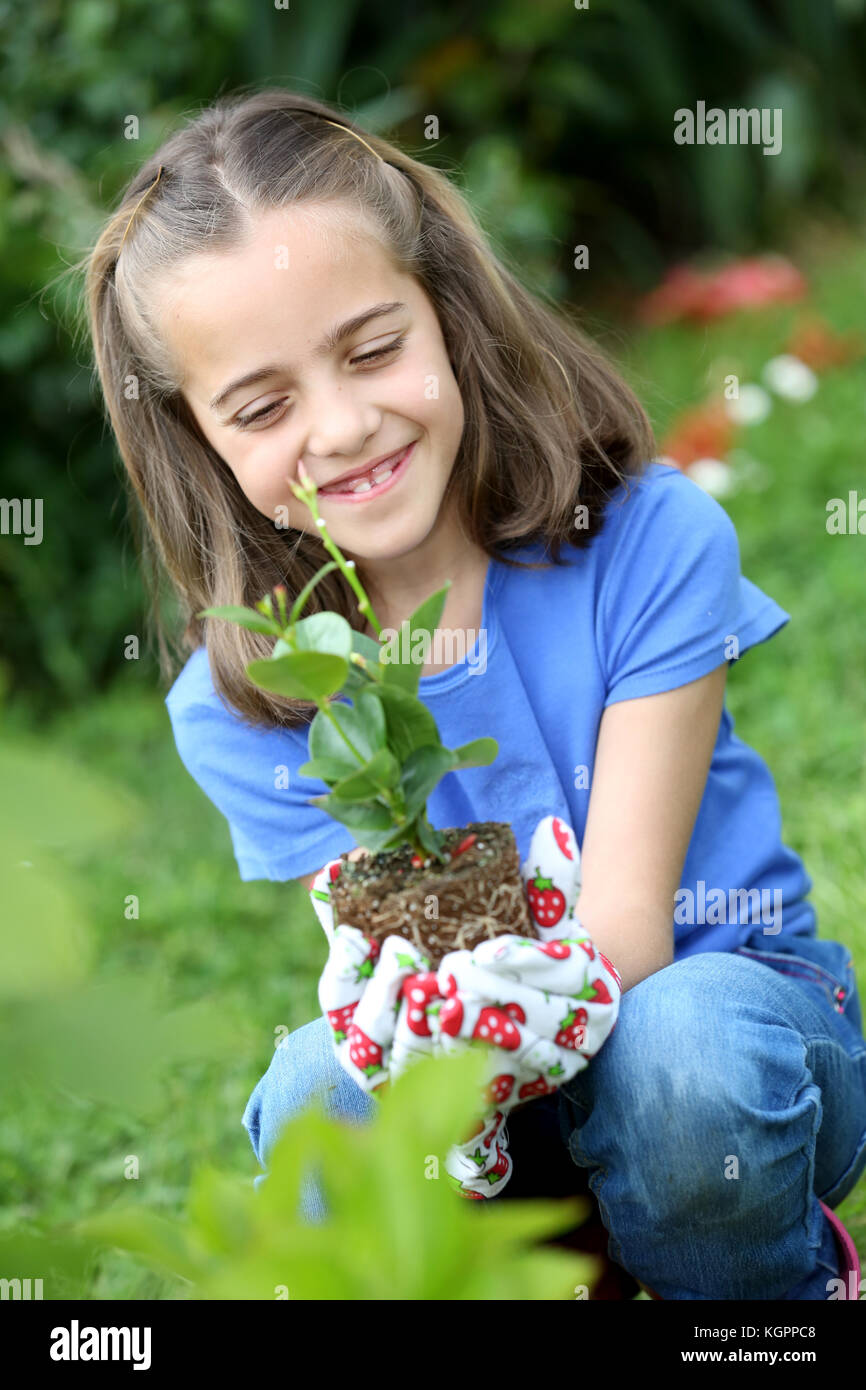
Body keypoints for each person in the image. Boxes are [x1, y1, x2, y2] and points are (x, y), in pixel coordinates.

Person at [79, 87, 866, 1299]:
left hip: (720, 1041)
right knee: (310, 1099)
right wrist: (398, 1044)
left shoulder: (647, 543)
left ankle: (774, 1296)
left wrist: (437, 1030)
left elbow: (626, 943)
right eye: (264, 405)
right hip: (494, 1090)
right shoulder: (244, 702)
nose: (341, 425)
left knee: (679, 1055)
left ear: (444, 314)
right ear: (199, 438)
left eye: (372, 347)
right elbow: (387, 958)